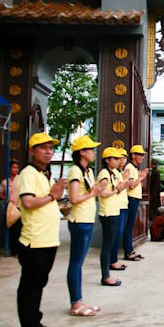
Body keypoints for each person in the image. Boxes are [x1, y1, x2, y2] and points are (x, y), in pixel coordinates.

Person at [16, 133, 66, 327]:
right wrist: (53, 195)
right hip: (34, 239)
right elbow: (28, 202)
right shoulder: (28, 173)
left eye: (51, 148)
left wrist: (54, 195)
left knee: (38, 283)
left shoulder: (45, 173)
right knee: (31, 285)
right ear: (32, 151)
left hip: (48, 239)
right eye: (43, 147)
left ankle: (35, 323)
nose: (48, 151)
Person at [66, 135, 103, 317]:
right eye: (91, 150)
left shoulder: (87, 171)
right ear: (82, 152)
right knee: (76, 263)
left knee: (79, 263)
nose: (94, 153)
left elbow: (91, 191)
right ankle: (75, 303)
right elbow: (73, 199)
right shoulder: (75, 171)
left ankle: (79, 300)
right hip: (79, 221)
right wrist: (93, 193)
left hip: (87, 220)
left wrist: (98, 188)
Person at [96, 147, 129, 286]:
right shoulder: (104, 173)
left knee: (110, 243)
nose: (118, 161)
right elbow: (103, 193)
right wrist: (117, 190)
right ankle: (105, 276)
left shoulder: (112, 173)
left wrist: (120, 186)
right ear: (107, 160)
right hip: (108, 212)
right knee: (107, 245)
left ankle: (107, 274)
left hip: (113, 211)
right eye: (114, 158)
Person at [121, 145, 149, 262]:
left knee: (130, 226)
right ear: (133, 155)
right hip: (131, 198)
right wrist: (141, 177)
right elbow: (132, 185)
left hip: (134, 199)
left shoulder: (133, 168)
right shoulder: (130, 167)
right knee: (128, 226)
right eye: (140, 154)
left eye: (142, 155)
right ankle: (128, 251)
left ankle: (130, 250)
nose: (142, 157)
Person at [1, 160, 21, 257]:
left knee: (19, 229)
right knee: (12, 229)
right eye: (13, 167)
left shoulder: (21, 179)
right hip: (10, 207)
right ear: (9, 169)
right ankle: (13, 250)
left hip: (19, 206)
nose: (15, 169)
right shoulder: (5, 182)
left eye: (17, 168)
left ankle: (19, 250)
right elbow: (1, 194)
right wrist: (7, 199)